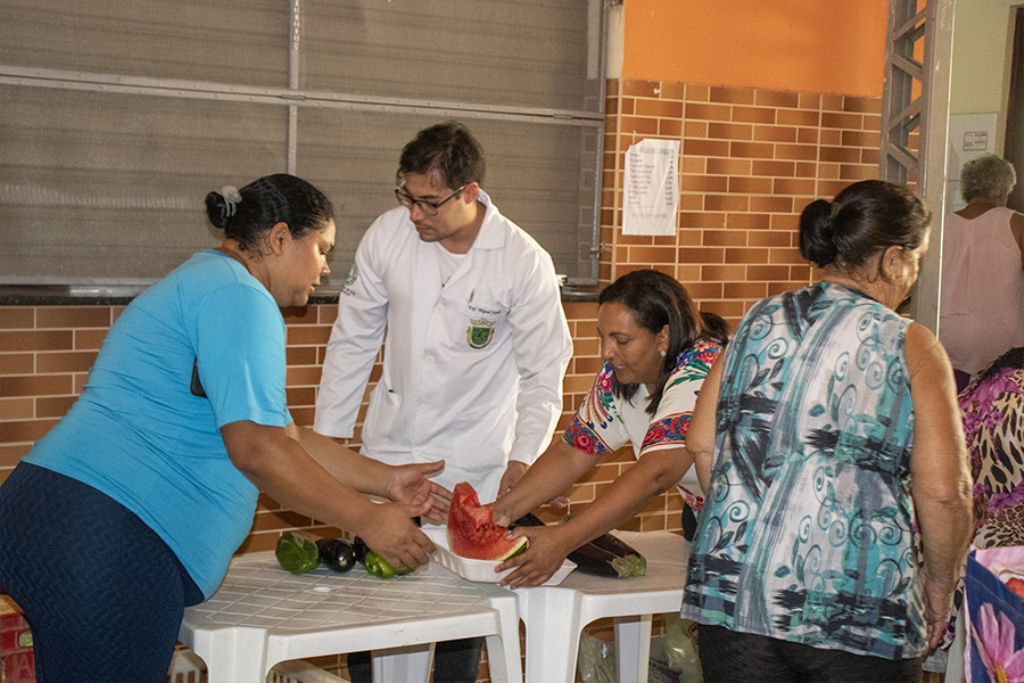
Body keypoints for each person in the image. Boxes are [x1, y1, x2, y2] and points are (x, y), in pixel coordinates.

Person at [0, 174, 447, 683]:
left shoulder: (209, 283)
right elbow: (258, 450)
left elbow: (284, 437)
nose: (325, 269)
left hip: (62, 517)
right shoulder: (240, 297)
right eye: (322, 249)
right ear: (280, 239)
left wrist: (386, 481)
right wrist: (368, 521)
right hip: (107, 536)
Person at [681, 179, 974, 682]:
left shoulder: (756, 319)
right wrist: (940, 586)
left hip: (733, 604)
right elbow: (946, 492)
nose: (913, 276)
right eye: (916, 260)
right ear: (891, 260)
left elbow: (701, 442)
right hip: (855, 609)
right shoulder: (911, 344)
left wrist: (752, 525)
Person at [314, 121, 573, 682]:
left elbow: (544, 372)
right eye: (407, 197)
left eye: (429, 203)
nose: (415, 214)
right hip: (389, 451)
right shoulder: (388, 236)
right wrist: (328, 448)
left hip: (473, 461)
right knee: (376, 607)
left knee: (459, 616)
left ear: (470, 193)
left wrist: (523, 458)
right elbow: (352, 341)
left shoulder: (523, 261)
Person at [491, 269, 728, 588]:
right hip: (708, 515)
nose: (606, 352)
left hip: (758, 527)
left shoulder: (700, 369)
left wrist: (564, 539)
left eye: (621, 340)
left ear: (664, 337)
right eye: (603, 336)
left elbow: (656, 473)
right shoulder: (619, 376)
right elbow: (573, 451)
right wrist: (498, 513)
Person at [939, 154, 1024, 391]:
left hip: (946, 338)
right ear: (1003, 189)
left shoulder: (941, 226)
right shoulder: (1017, 224)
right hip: (1000, 343)